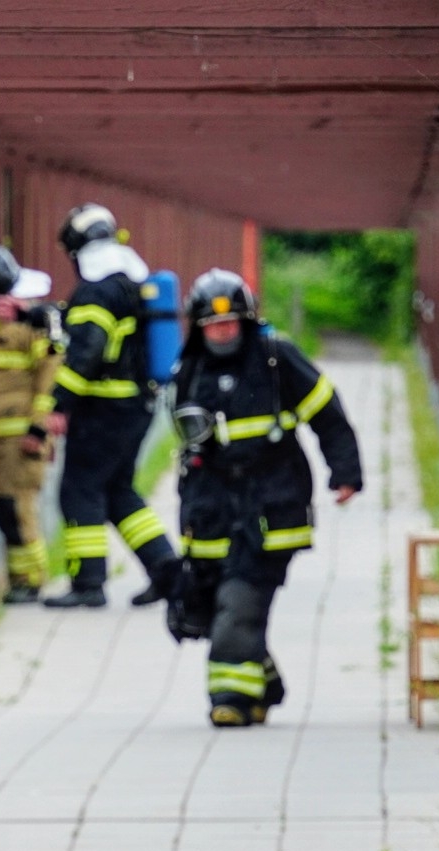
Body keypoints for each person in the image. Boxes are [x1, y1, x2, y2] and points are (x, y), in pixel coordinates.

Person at [166, 268, 363, 727]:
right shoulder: (189, 369)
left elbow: (328, 415)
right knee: (210, 603)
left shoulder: (277, 359)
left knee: (241, 599)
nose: (223, 332)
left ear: (247, 321)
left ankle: (231, 698)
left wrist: (346, 474)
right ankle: (265, 686)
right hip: (213, 506)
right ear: (199, 327)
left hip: (272, 501)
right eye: (214, 326)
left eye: (231, 323)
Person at [43, 203, 179, 609]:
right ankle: (167, 570)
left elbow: (85, 352)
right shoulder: (128, 283)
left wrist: (58, 404)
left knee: (79, 491)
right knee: (119, 493)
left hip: (102, 410)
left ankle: (88, 584)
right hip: (135, 406)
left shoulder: (96, 290)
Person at [0, 244, 61, 603]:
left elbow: (50, 374)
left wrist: (38, 427)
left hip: (16, 438)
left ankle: (28, 579)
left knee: (14, 509)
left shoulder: (30, 325)